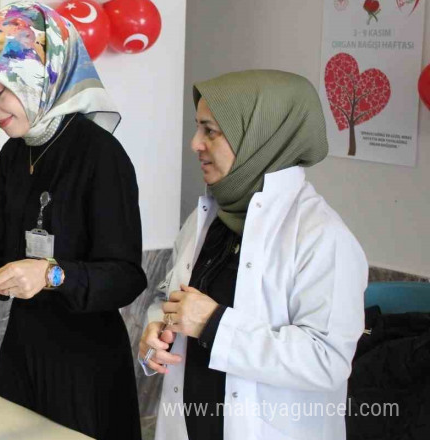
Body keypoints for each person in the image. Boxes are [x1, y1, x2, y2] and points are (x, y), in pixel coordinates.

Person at [0, 3, 148, 439]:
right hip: (24, 351)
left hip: (85, 366)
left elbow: (125, 278)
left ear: (35, 77)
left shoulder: (99, 156)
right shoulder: (14, 154)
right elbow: (6, 256)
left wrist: (52, 275)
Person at [139, 70, 367, 440]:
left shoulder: (323, 236)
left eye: (210, 130)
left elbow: (327, 361)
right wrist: (155, 331)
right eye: (197, 128)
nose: (195, 144)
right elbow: (171, 299)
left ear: (261, 136)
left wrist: (214, 325)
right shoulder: (207, 217)